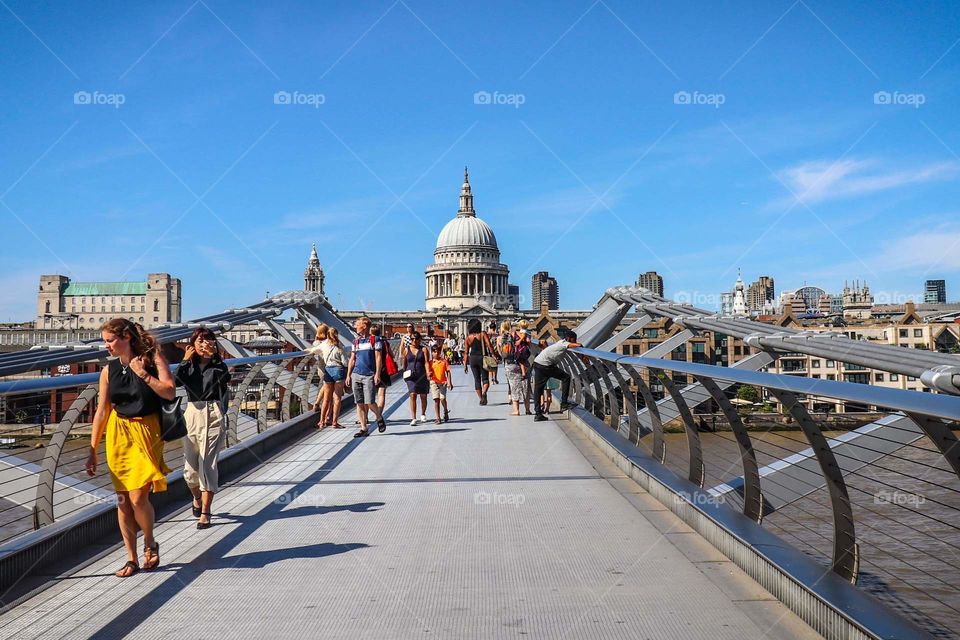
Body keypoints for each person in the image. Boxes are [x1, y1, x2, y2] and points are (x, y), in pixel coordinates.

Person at [85, 319, 175, 577]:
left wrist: (143, 374)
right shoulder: (107, 371)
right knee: (123, 501)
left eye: (110, 340)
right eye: (104, 341)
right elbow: (102, 411)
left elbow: (169, 392)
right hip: (118, 434)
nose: (107, 346)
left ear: (126, 337)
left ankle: (149, 541)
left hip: (147, 432)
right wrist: (92, 449)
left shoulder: (152, 358)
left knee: (138, 497)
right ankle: (131, 558)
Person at [176, 327, 230, 530]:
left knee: (207, 464)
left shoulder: (219, 367)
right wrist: (185, 359)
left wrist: (215, 358)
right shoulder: (187, 367)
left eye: (207, 340)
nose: (203, 344)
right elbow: (175, 382)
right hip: (191, 413)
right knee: (190, 472)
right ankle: (196, 498)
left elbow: (222, 381)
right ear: (192, 344)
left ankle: (206, 512)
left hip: (212, 412)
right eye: (199, 341)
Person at [346, 316, 387, 437]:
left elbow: (378, 358)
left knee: (369, 401)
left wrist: (378, 374)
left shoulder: (375, 340)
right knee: (359, 402)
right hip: (356, 374)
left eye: (357, 324)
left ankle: (379, 417)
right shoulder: (356, 341)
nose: (355, 326)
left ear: (364, 326)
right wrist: (349, 375)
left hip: (369, 375)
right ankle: (363, 428)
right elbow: (352, 359)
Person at [532, 331, 583, 422]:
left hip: (538, 363)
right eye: (574, 339)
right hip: (546, 365)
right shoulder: (564, 343)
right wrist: (580, 345)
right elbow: (577, 345)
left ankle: (538, 414)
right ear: (570, 338)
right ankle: (564, 404)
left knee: (538, 389)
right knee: (566, 377)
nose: (575, 340)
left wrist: (582, 356)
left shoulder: (560, 342)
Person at [500, 321, 530, 416]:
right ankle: (528, 410)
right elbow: (528, 343)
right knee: (525, 386)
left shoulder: (502, 337)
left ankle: (516, 410)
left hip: (510, 364)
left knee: (514, 387)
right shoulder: (520, 333)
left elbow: (502, 353)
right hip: (523, 361)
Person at [321, 327, 347, 428]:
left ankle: (321, 421)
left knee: (326, 399)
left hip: (328, 370)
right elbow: (345, 362)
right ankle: (334, 422)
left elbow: (314, 350)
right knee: (337, 398)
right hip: (338, 370)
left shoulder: (324, 344)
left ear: (327, 334)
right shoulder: (340, 346)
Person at [464, 319, 494, 405]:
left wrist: (465, 365)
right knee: (485, 379)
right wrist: (493, 354)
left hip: (472, 359)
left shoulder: (468, 338)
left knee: (476, 380)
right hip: (482, 358)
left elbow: (466, 353)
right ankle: (484, 393)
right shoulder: (483, 334)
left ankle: (481, 399)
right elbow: (489, 345)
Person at [403, 332, 430, 425]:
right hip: (410, 376)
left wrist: (428, 373)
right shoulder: (406, 350)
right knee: (412, 394)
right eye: (412, 339)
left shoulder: (424, 350)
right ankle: (413, 417)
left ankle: (423, 414)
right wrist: (404, 373)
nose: (414, 341)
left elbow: (426, 362)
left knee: (423, 395)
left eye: (416, 339)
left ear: (420, 339)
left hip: (422, 375)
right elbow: (404, 363)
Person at [310, 324, 332, 427]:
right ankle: (327, 417)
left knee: (326, 386)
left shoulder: (316, 343)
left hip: (321, 367)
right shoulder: (328, 342)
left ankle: (318, 404)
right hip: (330, 367)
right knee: (329, 391)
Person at [370, 324, 392, 421]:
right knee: (381, 394)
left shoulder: (369, 341)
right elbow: (391, 354)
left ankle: (366, 417)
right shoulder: (385, 342)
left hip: (370, 369)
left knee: (368, 395)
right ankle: (379, 415)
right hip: (383, 370)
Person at [428, 343, 453, 423]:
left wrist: (449, 382)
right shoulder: (430, 363)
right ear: (432, 353)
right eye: (434, 351)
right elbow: (428, 372)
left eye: (438, 351)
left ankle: (445, 410)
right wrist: (428, 375)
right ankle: (438, 417)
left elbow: (448, 372)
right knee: (436, 399)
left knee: (442, 398)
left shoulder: (444, 361)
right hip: (434, 382)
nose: (436, 353)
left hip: (443, 382)